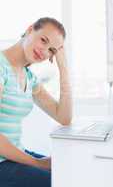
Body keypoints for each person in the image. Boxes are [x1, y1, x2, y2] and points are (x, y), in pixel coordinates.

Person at [0, 17, 72, 187]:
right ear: (30, 29)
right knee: (58, 182)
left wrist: (63, 68)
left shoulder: (29, 78)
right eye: (43, 40)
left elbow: (63, 116)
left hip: (12, 156)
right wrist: (38, 163)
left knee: (70, 170)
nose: (44, 51)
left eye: (51, 50)